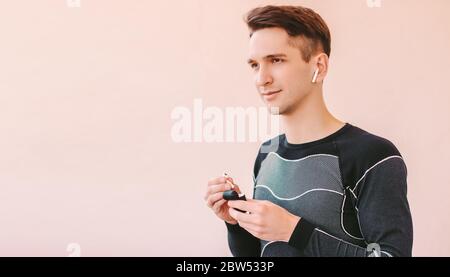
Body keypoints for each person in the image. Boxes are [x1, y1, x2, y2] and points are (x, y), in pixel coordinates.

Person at [204, 5, 413, 257]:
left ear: (319, 67)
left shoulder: (373, 155)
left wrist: (294, 231)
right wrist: (236, 223)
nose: (262, 78)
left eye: (276, 60)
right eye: (254, 65)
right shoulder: (266, 154)